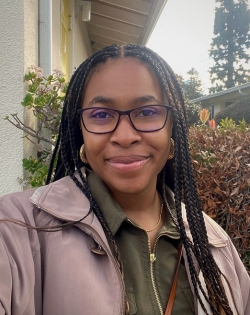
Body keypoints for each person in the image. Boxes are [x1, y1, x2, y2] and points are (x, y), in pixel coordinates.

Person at [0, 44, 249, 315]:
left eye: (146, 112)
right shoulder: (17, 230)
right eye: (101, 115)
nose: (125, 136)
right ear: (80, 130)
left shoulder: (214, 243)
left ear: (171, 130)